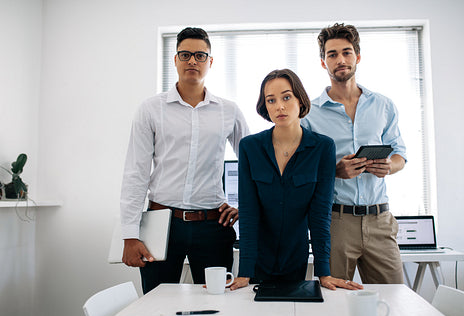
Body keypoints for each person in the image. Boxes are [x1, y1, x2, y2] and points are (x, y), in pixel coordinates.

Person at [120, 27, 250, 294]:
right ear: (176, 60)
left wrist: (245, 208)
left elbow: (254, 166)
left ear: (210, 62)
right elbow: (136, 173)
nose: (193, 61)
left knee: (217, 303)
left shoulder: (229, 111)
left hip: (214, 226)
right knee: (156, 303)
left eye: (200, 55)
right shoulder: (150, 109)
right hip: (161, 224)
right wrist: (130, 234)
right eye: (186, 54)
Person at [230, 69, 362, 291]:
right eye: (271, 100)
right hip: (259, 257)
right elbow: (249, 212)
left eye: (286, 97)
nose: (279, 106)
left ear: (300, 100)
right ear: (265, 107)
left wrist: (324, 273)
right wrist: (244, 273)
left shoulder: (323, 148)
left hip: (297, 255)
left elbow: (320, 216)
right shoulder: (249, 147)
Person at [301, 23, 407, 284]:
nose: (340, 60)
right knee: (335, 302)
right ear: (323, 62)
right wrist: (334, 171)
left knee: (394, 298)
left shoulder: (383, 105)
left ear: (357, 57)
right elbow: (300, 169)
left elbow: (400, 154)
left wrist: (388, 166)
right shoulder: (309, 114)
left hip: (380, 220)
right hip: (336, 222)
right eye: (332, 54)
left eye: (347, 52)